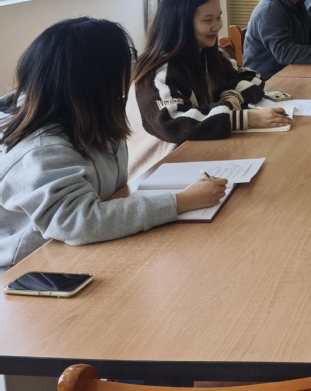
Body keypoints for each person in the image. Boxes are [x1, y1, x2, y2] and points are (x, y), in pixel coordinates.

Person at [0, 18, 228, 272]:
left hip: (87, 251)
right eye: (125, 61)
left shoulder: (93, 116)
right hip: (29, 271)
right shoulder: (39, 149)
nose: (131, 68)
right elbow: (79, 222)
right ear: (95, 79)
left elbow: (109, 199)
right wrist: (180, 201)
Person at [133, 0, 291, 143]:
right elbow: (175, 123)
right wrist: (245, 119)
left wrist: (232, 95)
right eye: (208, 20)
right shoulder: (160, 72)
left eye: (218, 17)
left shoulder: (212, 54)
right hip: (172, 155)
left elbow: (253, 77)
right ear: (182, 23)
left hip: (209, 145)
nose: (217, 26)